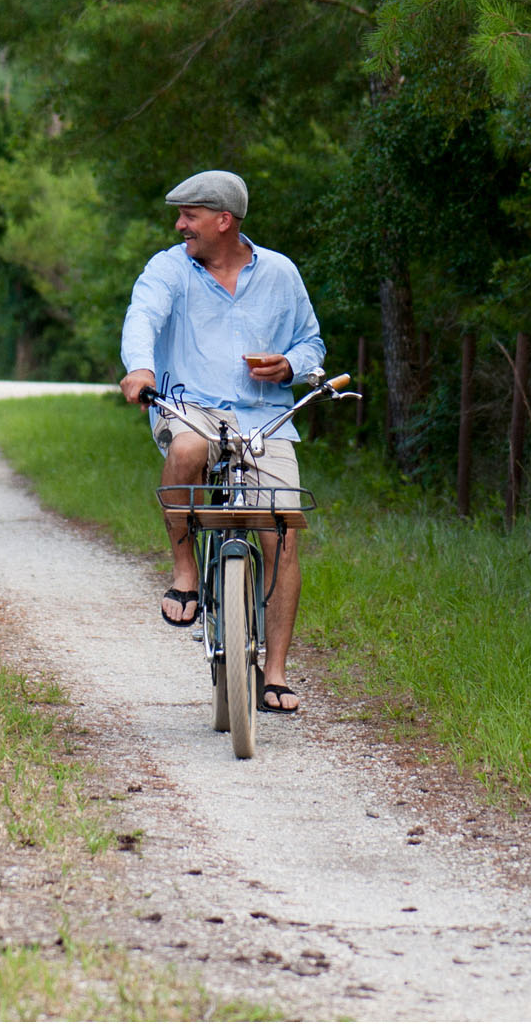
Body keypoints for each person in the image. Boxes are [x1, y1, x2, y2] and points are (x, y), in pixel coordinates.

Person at [118, 170, 326, 715]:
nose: (179, 224)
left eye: (188, 215)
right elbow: (142, 316)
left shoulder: (280, 273)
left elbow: (311, 341)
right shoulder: (170, 269)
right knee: (185, 450)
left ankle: (275, 672)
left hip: (266, 420)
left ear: (223, 220)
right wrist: (140, 368)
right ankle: (185, 569)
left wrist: (291, 366)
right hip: (192, 407)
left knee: (282, 535)